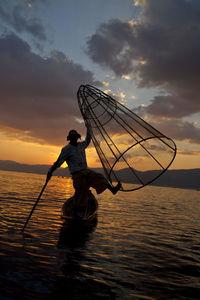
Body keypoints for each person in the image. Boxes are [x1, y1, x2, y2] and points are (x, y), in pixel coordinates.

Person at [47, 124, 121, 217]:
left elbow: (88, 139)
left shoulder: (81, 145)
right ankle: (78, 213)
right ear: (70, 139)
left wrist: (89, 128)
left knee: (100, 178)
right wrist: (50, 171)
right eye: (72, 137)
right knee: (81, 194)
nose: (74, 139)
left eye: (75, 137)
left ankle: (113, 189)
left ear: (77, 138)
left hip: (86, 172)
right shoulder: (66, 149)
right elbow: (58, 162)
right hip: (77, 174)